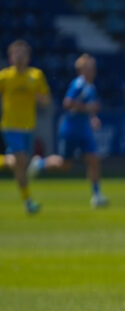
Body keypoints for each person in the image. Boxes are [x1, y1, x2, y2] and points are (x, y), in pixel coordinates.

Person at [30, 53, 108, 208]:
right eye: (89, 68)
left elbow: (91, 107)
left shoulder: (91, 87)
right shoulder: (78, 84)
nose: (93, 71)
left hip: (84, 129)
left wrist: (93, 118)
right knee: (64, 165)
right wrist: (87, 108)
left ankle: (97, 195)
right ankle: (40, 163)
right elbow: (67, 103)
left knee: (93, 159)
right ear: (81, 70)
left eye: (93, 68)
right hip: (70, 129)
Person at [0, 40, 51, 214]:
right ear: (11, 57)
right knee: (20, 160)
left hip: (28, 126)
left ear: (28, 57)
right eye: (17, 54)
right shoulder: (4, 76)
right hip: (10, 125)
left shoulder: (36, 75)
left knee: (19, 165)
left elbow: (46, 99)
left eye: (23, 54)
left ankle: (27, 200)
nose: (20, 57)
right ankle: (28, 203)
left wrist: (39, 97)